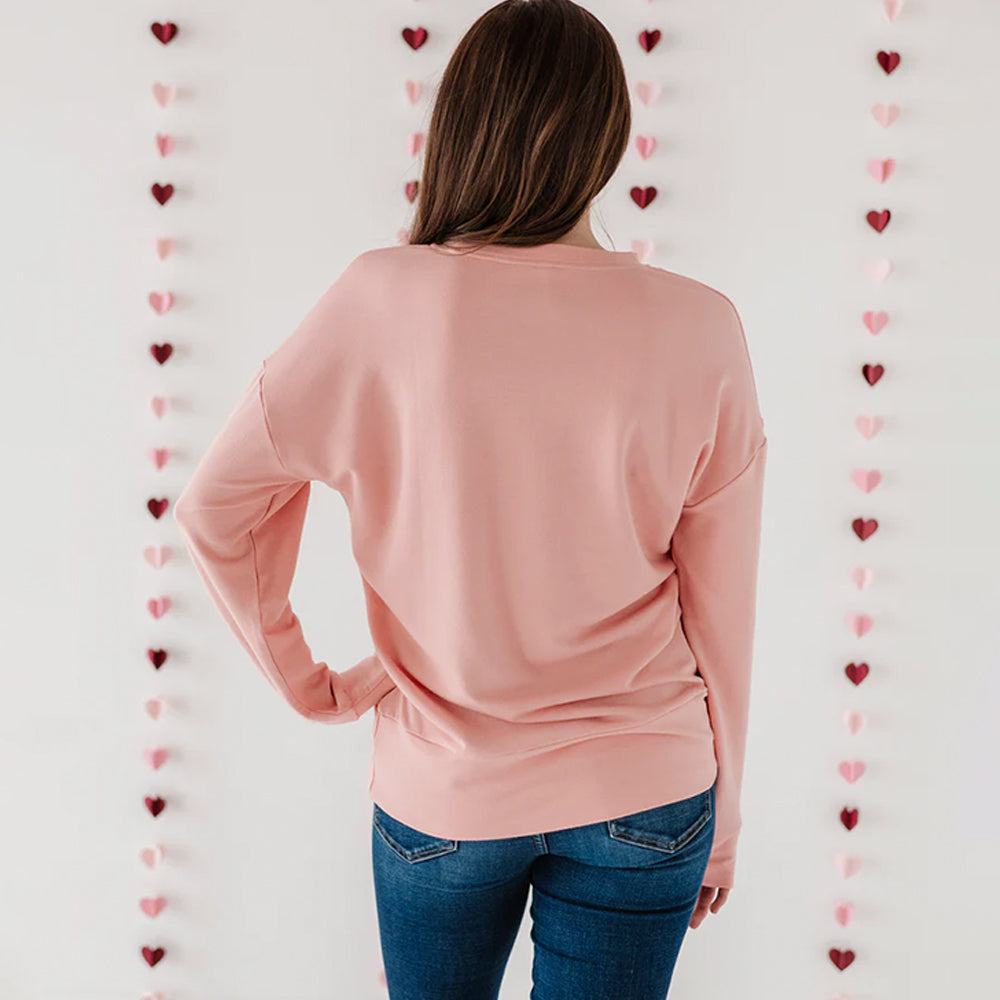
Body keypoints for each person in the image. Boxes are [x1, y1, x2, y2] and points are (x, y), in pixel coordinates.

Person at [173, 0, 768, 996]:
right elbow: (722, 604)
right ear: (609, 137)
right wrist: (728, 807)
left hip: (441, 791)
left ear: (455, 126)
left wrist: (313, 680)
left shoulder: (377, 300)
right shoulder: (703, 327)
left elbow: (215, 507)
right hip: (648, 789)